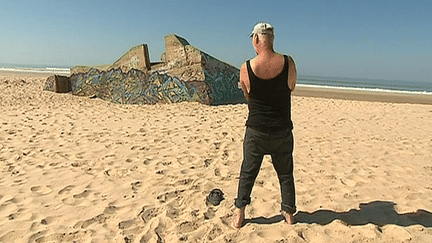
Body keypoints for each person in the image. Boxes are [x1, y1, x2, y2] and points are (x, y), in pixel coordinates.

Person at [233, 22, 297, 228]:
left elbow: (247, 95)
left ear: (256, 39)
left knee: (248, 173)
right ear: (272, 39)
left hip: (256, 130)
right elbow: (291, 87)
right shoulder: (288, 63)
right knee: (285, 174)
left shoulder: (246, 67)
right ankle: (288, 214)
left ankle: (240, 214)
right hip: (282, 130)